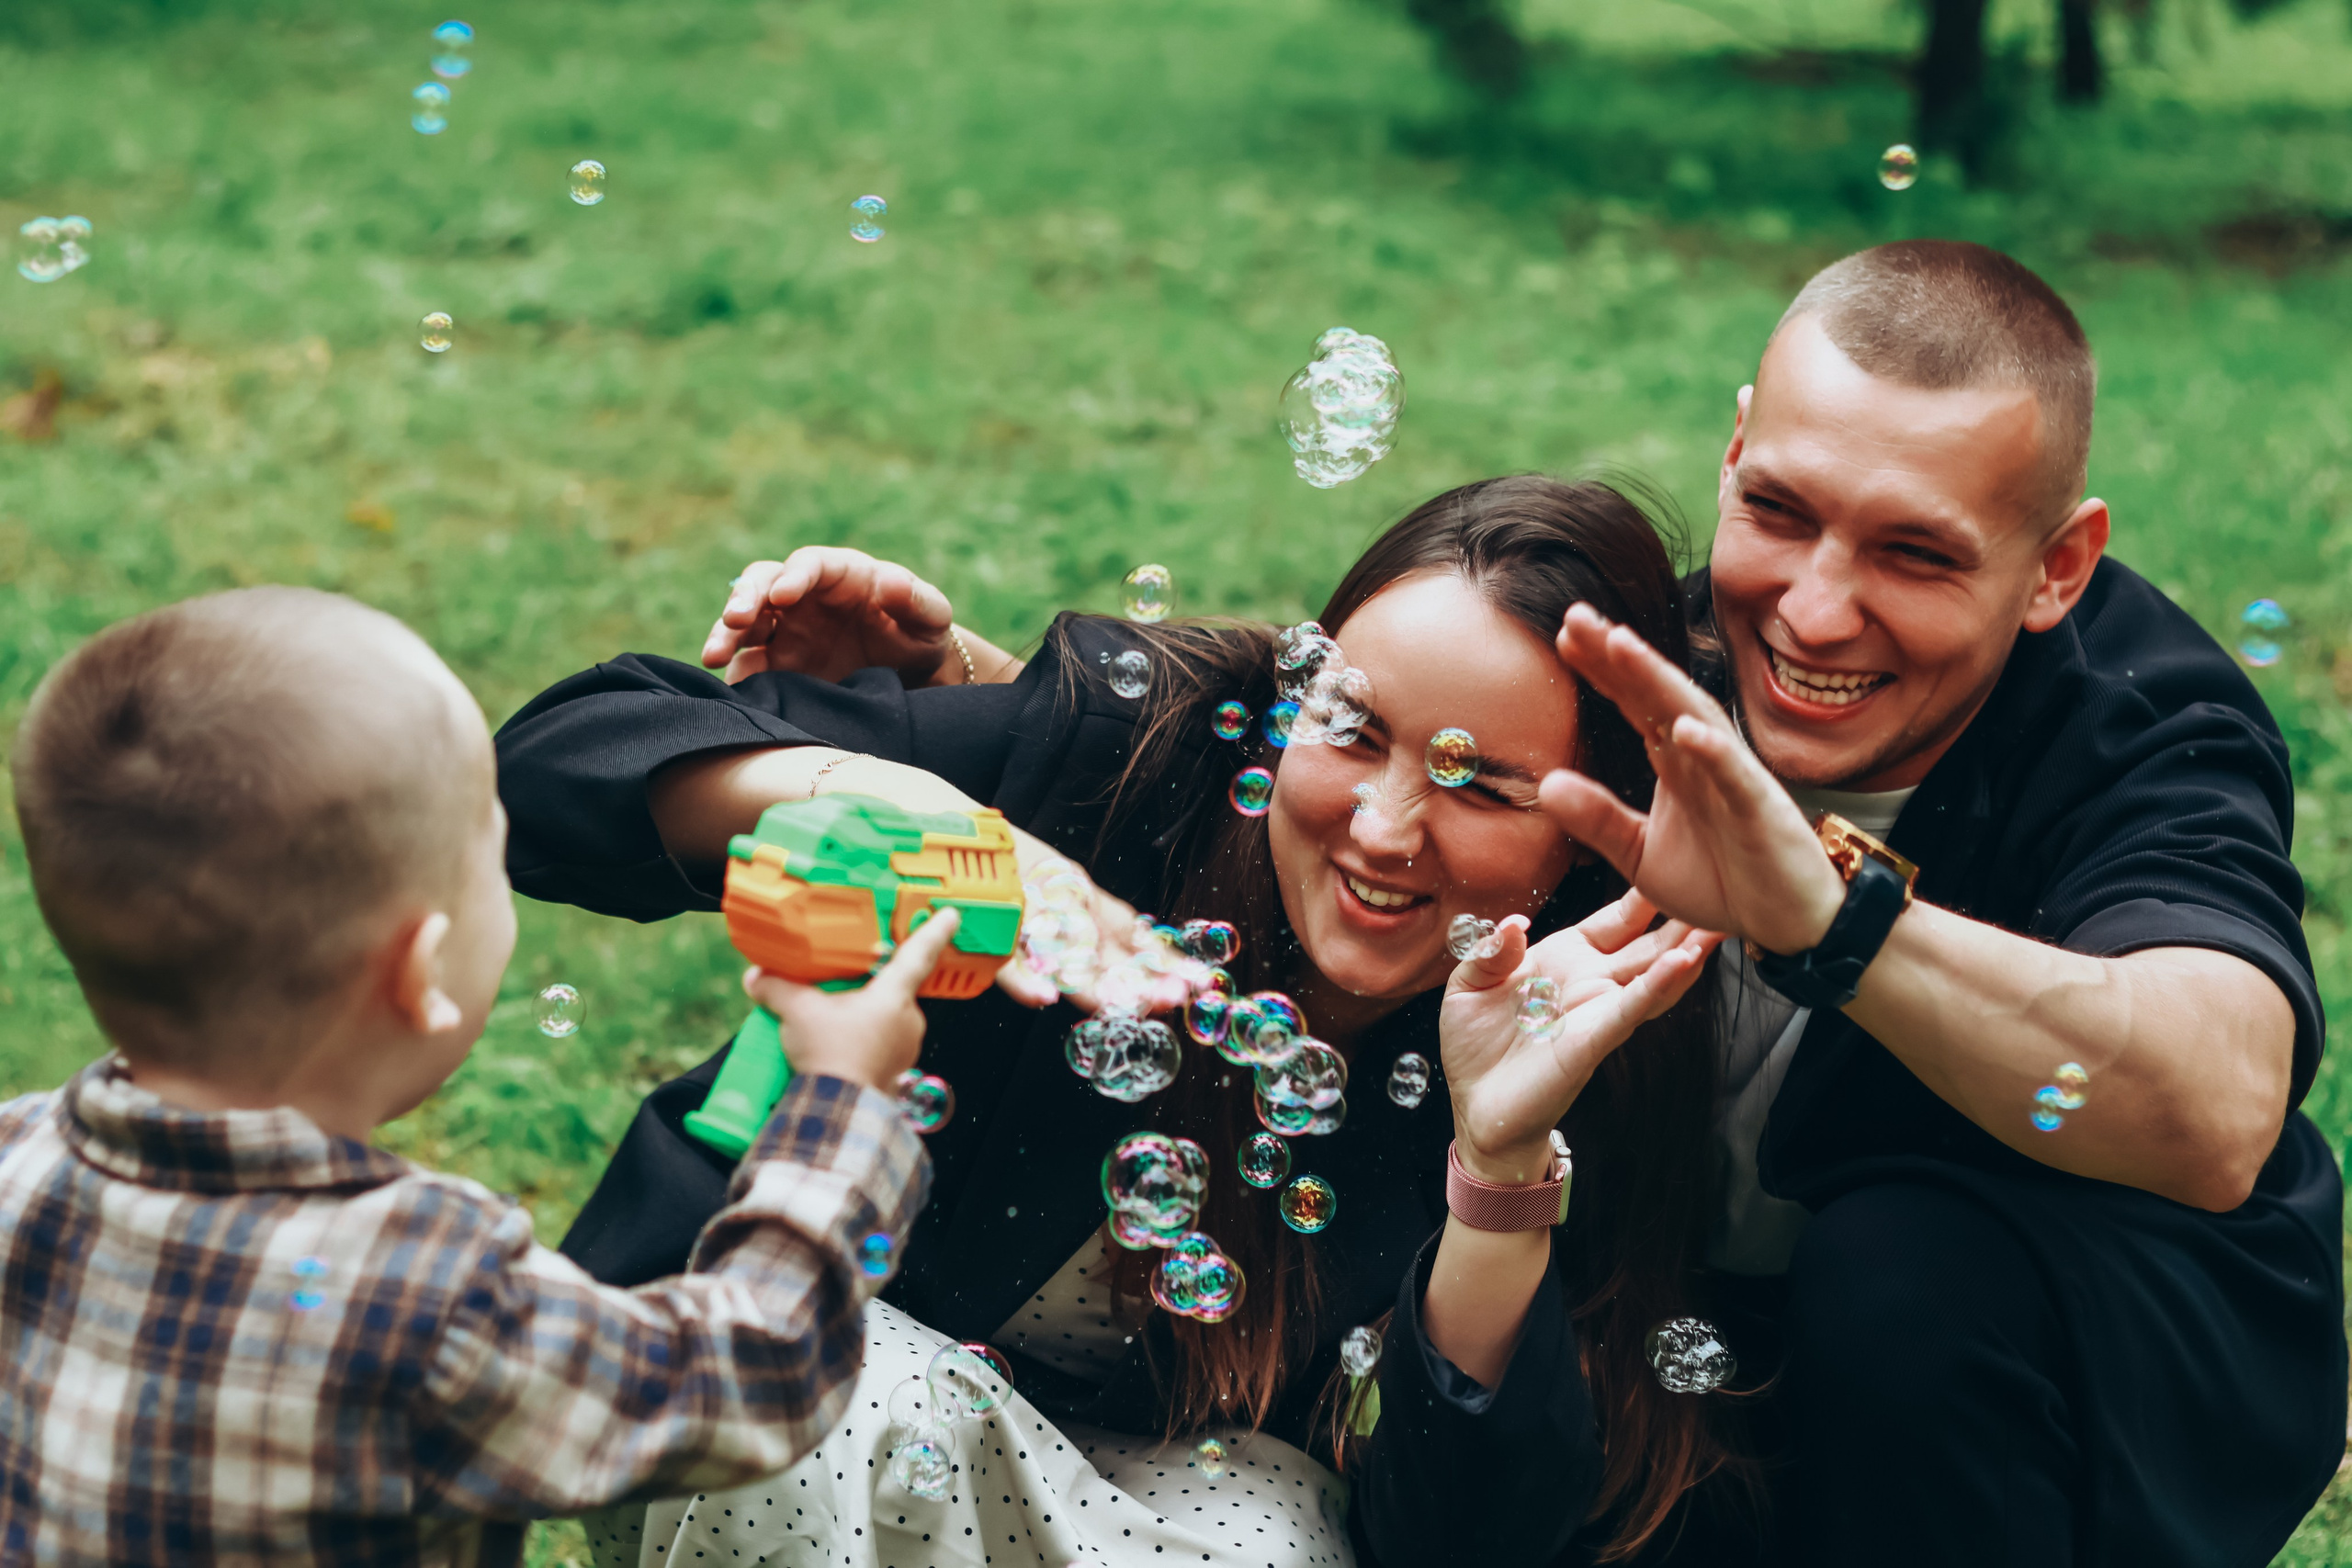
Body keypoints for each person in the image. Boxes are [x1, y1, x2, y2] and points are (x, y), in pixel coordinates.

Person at [722, 240, 2348, 1566]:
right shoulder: (1650, 639)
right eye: (1777, 510)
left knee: (1903, 1278)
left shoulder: (2145, 727)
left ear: (2057, 566)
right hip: (1675, 1343)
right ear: (1731, 452)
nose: (1816, 605)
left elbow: (2210, 1103)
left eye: (1917, 555)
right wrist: (1008, 723)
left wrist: (1831, 919)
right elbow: (1380, 747)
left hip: (2021, 1370)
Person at [492, 476, 1757, 1568]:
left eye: (1478, 780)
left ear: (1590, 832)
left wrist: (1495, 1159)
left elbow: (1458, 1536)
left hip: (1137, 1507)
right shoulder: (1126, 761)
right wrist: (893, 795)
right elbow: (547, 769)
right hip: (793, 1426)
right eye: (1353, 727)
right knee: (840, 1378)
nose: (1381, 823)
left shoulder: (1582, 1022)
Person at [0, 585, 955, 1567]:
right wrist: (841, 1105)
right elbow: (745, 1375)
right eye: (488, 856)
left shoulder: (14, 1161)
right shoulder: (435, 1297)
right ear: (420, 971)